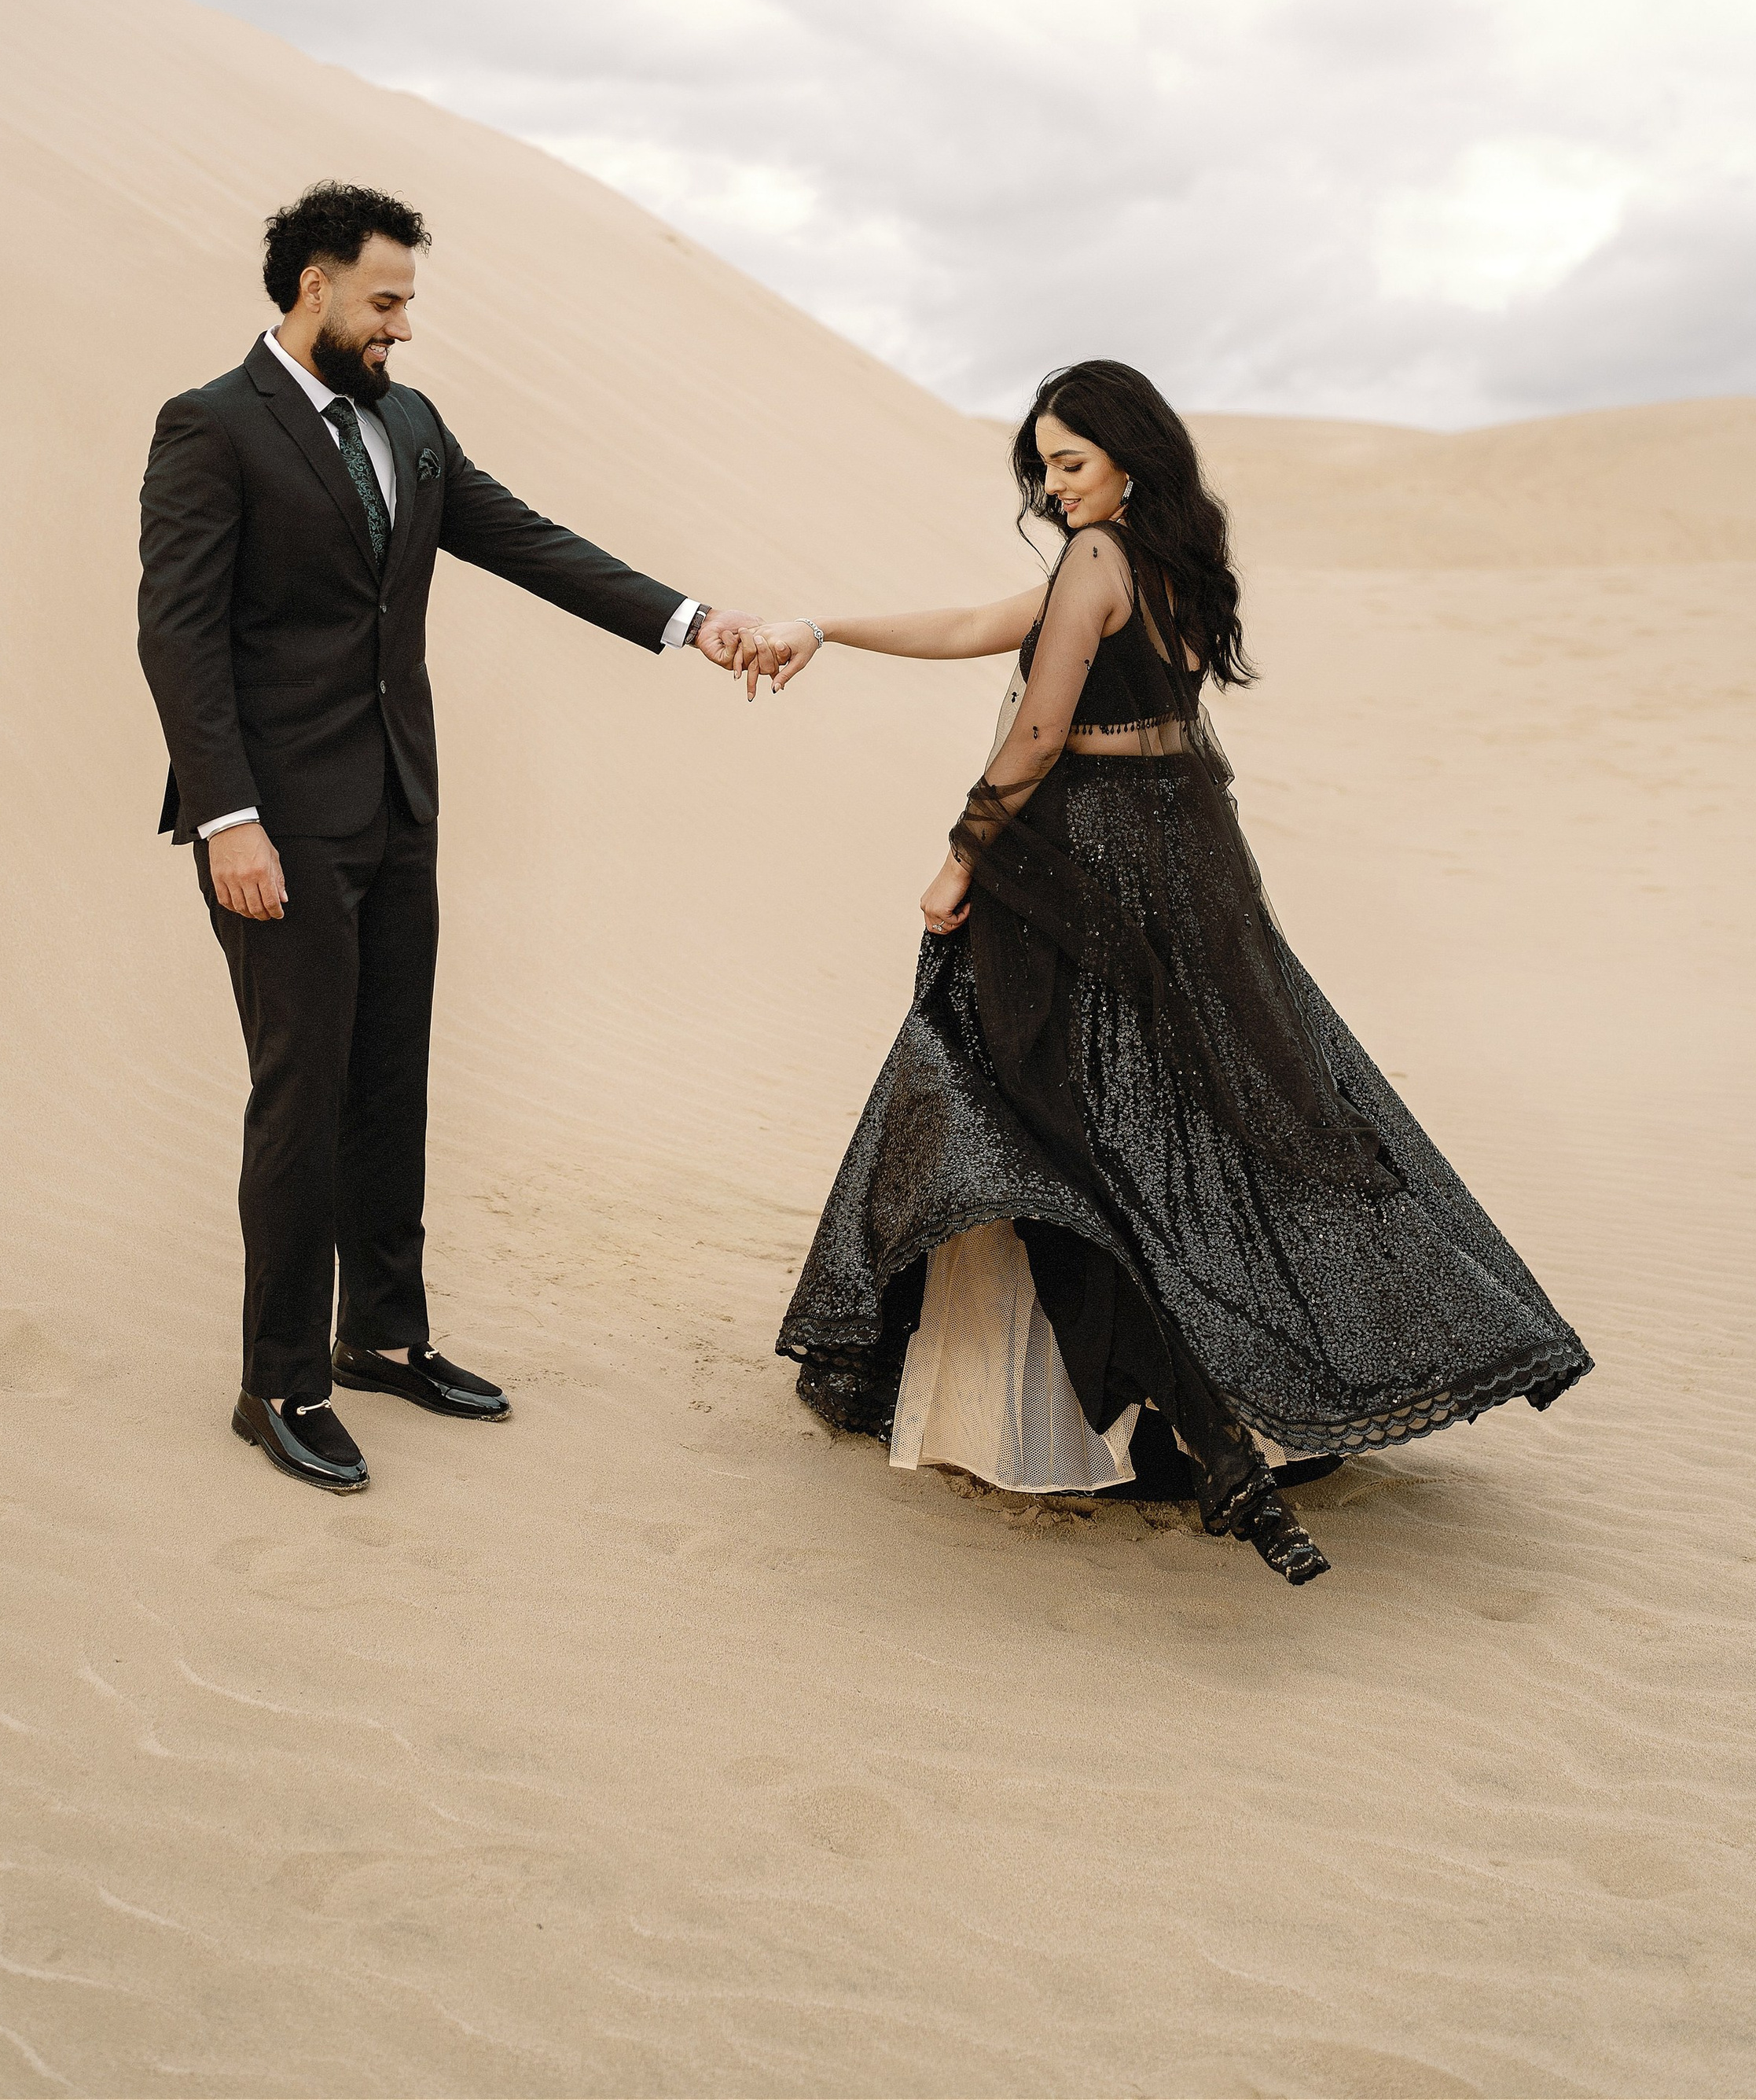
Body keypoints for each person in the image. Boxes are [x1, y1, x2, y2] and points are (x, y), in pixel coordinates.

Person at [741, 359, 1592, 1587]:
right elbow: (989, 624)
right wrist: (823, 625)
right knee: (1197, 1111)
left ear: (1130, 456)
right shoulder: (1159, 554)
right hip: (1181, 844)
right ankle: (1210, 1400)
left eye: (1071, 460)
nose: (1051, 482)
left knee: (1038, 1107)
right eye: (1041, 461)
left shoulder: (1098, 557)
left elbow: (1039, 723)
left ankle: (1159, 1411)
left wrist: (961, 854)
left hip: (1080, 852)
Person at [138, 182, 761, 1495]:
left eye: (408, 300)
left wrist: (687, 618)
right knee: (298, 1096)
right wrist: (228, 816)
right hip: (277, 827)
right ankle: (279, 1379)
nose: (404, 327)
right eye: (387, 299)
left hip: (400, 808)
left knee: (388, 1081)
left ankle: (382, 1335)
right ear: (312, 286)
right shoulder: (210, 427)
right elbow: (178, 638)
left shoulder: (409, 423)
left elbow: (521, 539)